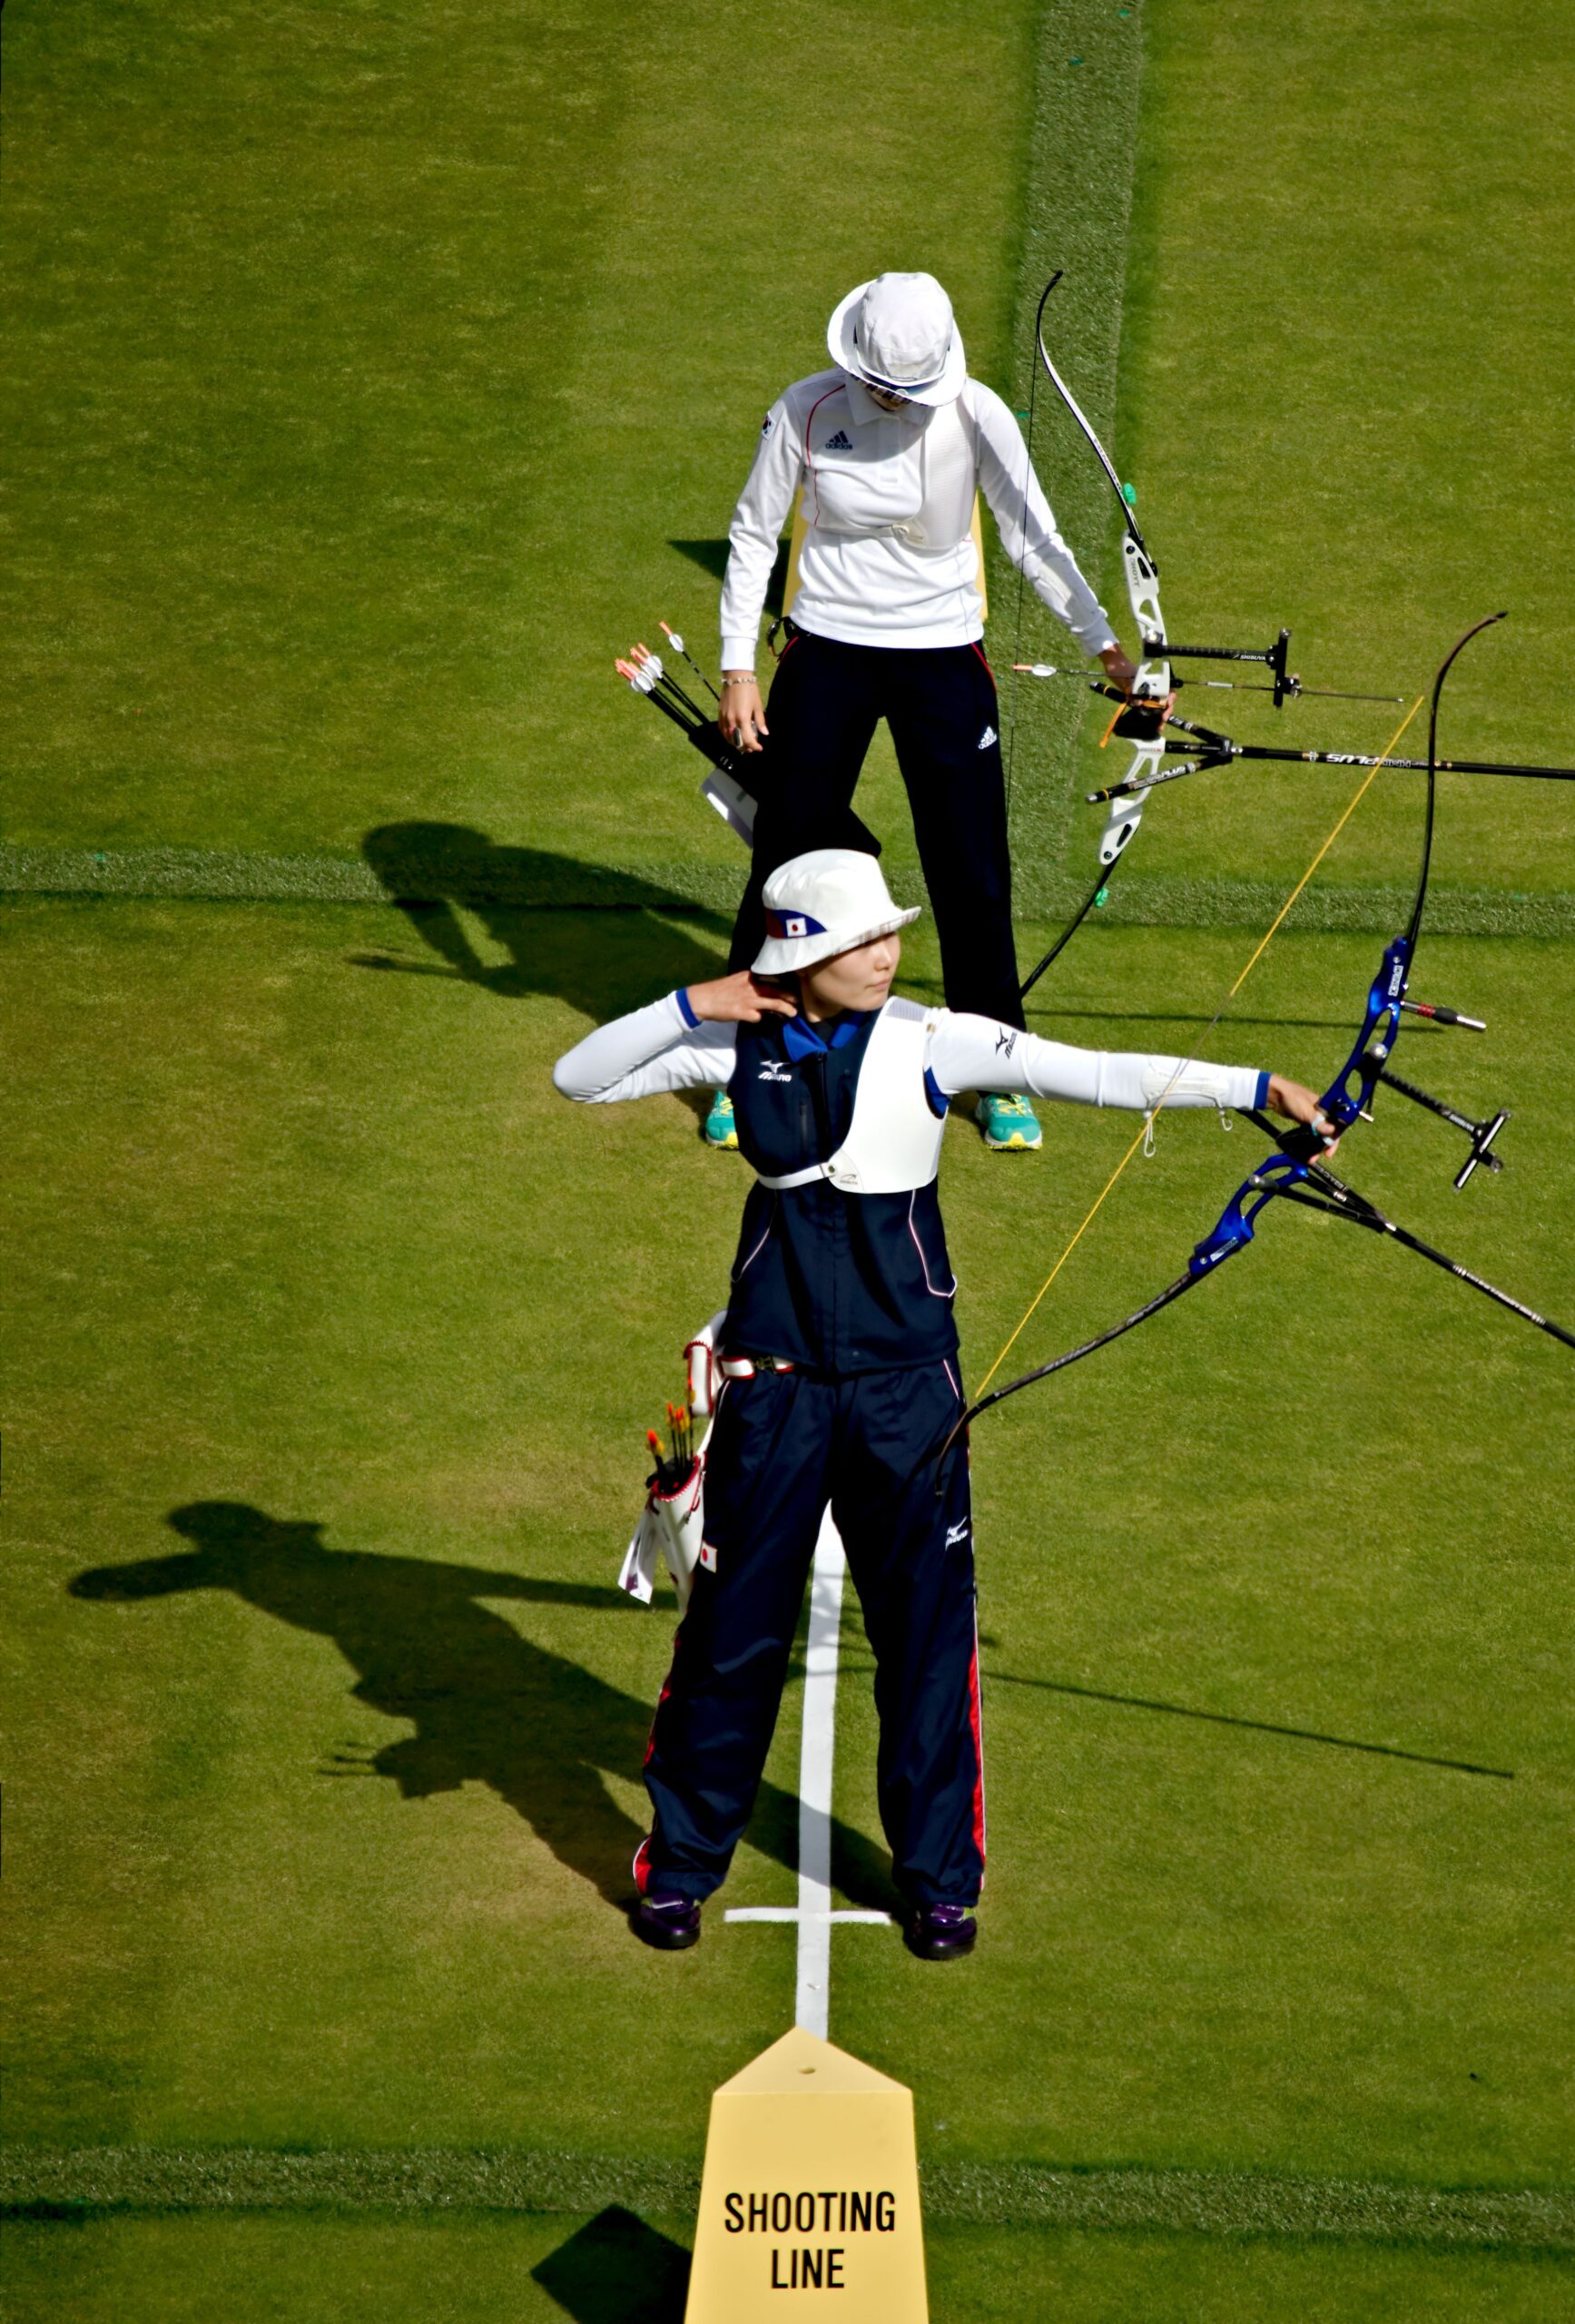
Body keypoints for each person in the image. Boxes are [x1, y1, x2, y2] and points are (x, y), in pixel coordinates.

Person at [553, 850, 1336, 1961]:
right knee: (731, 1638)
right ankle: (680, 1869)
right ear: (798, 955)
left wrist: (1259, 1089)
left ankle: (937, 1882)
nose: (885, 955)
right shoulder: (733, 1037)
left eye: (886, 936)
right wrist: (693, 1001)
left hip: (907, 1396)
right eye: (858, 941)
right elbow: (577, 1074)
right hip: (771, 1392)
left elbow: (1101, 1073)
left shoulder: (935, 1038)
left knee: (926, 1639)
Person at [704, 270, 1146, 1157]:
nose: (898, 403)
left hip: (944, 655)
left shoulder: (975, 414)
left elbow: (1030, 533)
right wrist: (736, 669)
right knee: (786, 858)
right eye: (885, 386)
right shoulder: (805, 408)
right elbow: (755, 532)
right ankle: (749, 1053)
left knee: (972, 870)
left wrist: (1104, 641)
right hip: (825, 648)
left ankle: (997, 1072)